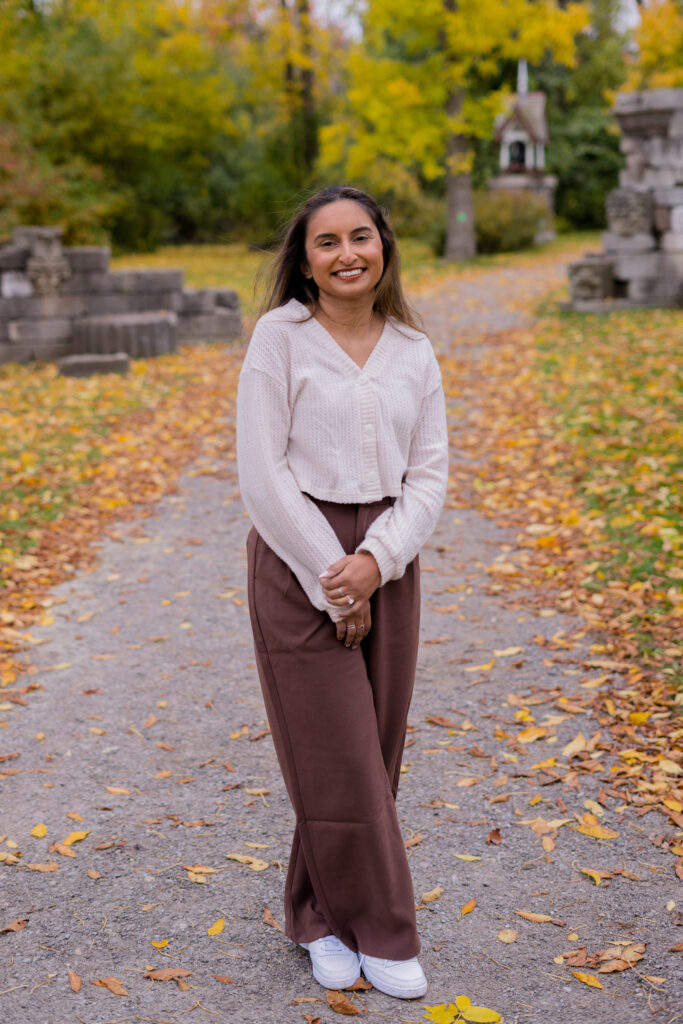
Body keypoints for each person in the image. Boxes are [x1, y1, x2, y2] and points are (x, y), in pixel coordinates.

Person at [236, 185, 448, 1000]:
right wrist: (335, 578)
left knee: (370, 755)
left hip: (387, 560)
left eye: (360, 236)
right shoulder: (279, 339)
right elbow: (262, 473)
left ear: (383, 247)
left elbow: (428, 475)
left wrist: (376, 562)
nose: (346, 254)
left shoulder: (413, 351)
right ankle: (384, 931)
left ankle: (317, 914)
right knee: (335, 751)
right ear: (305, 262)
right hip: (298, 557)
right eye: (326, 242)